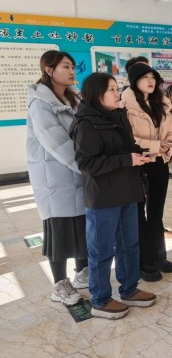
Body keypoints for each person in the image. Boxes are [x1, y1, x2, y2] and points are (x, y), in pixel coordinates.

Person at [71, 72, 156, 319]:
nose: (117, 93)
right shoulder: (86, 123)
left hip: (127, 191)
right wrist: (127, 159)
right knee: (101, 250)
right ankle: (100, 300)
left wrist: (141, 153)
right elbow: (87, 164)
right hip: (103, 197)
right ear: (96, 93)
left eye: (116, 88)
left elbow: (125, 148)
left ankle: (129, 289)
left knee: (130, 244)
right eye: (111, 89)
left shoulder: (118, 115)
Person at [26, 50, 89, 306]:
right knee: (60, 230)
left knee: (82, 224)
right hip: (54, 177)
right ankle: (60, 285)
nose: (72, 71)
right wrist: (89, 166)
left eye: (73, 66)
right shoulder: (40, 103)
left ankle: (82, 272)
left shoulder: (74, 98)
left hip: (78, 171)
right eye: (65, 66)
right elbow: (57, 142)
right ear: (48, 70)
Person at [121, 63, 172, 282]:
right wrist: (156, 146)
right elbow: (127, 138)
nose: (150, 80)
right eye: (145, 77)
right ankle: (144, 263)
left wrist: (168, 149)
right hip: (138, 164)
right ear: (134, 81)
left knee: (156, 213)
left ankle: (158, 257)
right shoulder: (124, 106)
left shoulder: (160, 103)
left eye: (153, 77)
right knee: (138, 215)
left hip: (159, 164)